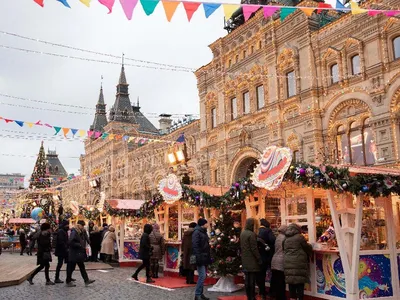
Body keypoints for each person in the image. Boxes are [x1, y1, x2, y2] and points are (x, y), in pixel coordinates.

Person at [283, 223, 313, 300]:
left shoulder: (285, 239)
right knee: (300, 284)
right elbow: (307, 248)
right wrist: (311, 248)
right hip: (299, 263)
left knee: (291, 284)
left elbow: (284, 250)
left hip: (288, 263)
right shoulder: (300, 237)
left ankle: (292, 298)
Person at [66, 220, 95, 287]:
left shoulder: (81, 232)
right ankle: (68, 280)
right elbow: (70, 241)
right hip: (74, 253)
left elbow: (85, 239)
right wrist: (79, 245)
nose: (83, 227)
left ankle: (86, 280)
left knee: (82, 267)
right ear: (79, 225)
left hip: (78, 253)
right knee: (71, 268)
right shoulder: (74, 232)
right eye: (82, 226)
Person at [241, 218, 262, 300]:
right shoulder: (251, 234)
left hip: (245, 259)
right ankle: (252, 297)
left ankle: (248, 296)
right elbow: (254, 249)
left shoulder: (243, 233)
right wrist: (259, 258)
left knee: (247, 278)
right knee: (252, 279)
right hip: (252, 260)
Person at [192, 218, 211, 300]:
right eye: (206, 223)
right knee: (202, 275)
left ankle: (201, 294)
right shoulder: (197, 232)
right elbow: (195, 245)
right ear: (203, 224)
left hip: (204, 256)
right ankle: (197, 294)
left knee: (203, 275)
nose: (208, 225)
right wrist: (198, 256)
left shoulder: (203, 232)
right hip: (200, 256)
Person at [257, 219, 276, 299]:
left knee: (261, 275)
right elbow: (273, 240)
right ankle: (271, 292)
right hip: (268, 255)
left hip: (260, 255)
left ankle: (262, 291)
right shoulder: (268, 231)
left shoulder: (256, 231)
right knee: (274, 274)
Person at [271, 224, 288, 300]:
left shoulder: (278, 237)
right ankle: (281, 297)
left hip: (274, 260)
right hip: (280, 261)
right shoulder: (284, 238)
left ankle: (276, 296)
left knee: (276, 280)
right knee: (281, 281)